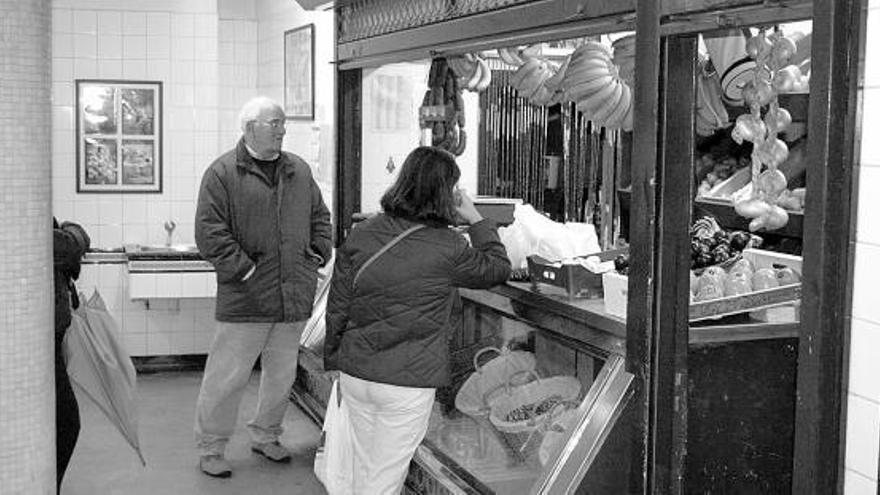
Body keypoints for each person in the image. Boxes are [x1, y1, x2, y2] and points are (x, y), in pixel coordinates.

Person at [324, 146, 511, 494]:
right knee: (383, 479)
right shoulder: (448, 246)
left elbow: (338, 304)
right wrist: (477, 219)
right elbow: (497, 268)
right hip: (406, 383)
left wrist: (334, 359)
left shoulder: (364, 232)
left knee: (365, 468)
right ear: (445, 193)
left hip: (357, 374)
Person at [193, 96, 333, 478]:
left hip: (293, 296)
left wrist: (318, 252)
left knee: (282, 375)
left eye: (283, 124)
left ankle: (267, 435)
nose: (282, 130)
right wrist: (245, 271)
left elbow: (321, 218)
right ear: (249, 126)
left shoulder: (299, 171)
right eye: (274, 123)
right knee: (227, 377)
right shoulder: (223, 173)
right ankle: (211, 447)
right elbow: (209, 232)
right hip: (246, 298)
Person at [53, 217, 90, 490]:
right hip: (35, 340)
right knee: (67, 423)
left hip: (49, 335)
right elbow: (68, 247)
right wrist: (71, 232)